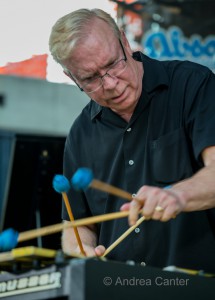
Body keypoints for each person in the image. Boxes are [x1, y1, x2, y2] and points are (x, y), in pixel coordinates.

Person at [49, 8, 215, 272]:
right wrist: (81, 253)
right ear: (72, 77)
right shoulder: (81, 134)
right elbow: (77, 224)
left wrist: (178, 195)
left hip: (197, 283)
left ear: (124, 42)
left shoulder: (192, 85)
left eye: (113, 64)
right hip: (119, 287)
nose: (111, 84)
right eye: (91, 78)